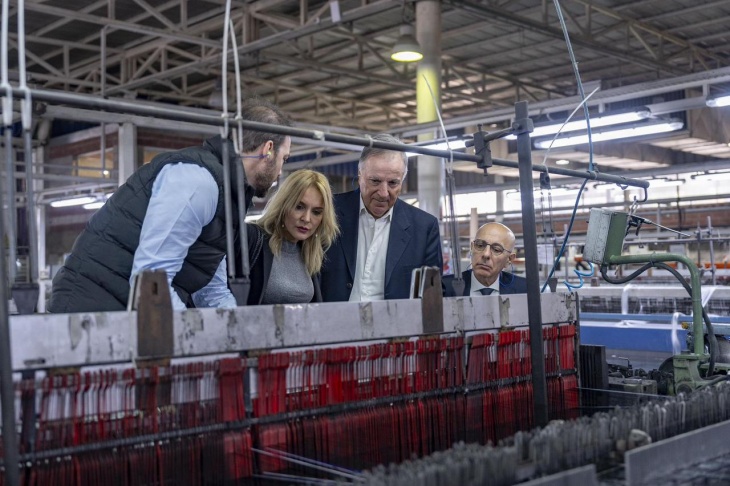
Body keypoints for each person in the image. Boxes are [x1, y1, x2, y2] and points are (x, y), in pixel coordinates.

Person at [48, 97, 292, 313]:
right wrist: (191, 332)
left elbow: (210, 289)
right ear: (268, 150)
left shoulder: (229, 197)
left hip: (123, 308)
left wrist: (237, 330)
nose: (281, 170)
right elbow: (152, 280)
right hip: (89, 307)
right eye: (284, 158)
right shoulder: (199, 182)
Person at [320, 133, 443, 302]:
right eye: (375, 181)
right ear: (360, 174)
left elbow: (431, 295)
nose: (384, 193)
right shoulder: (328, 212)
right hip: (332, 323)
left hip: (396, 326)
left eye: (393, 183)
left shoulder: (424, 228)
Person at [243, 169, 339, 305]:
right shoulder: (253, 238)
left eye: (316, 212)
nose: (306, 218)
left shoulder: (311, 253)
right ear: (284, 205)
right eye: (299, 207)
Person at [443, 222, 527, 296]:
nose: (486, 254)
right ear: (472, 248)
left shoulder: (524, 290)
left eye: (496, 250)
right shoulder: (444, 288)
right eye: (480, 245)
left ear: (509, 259)